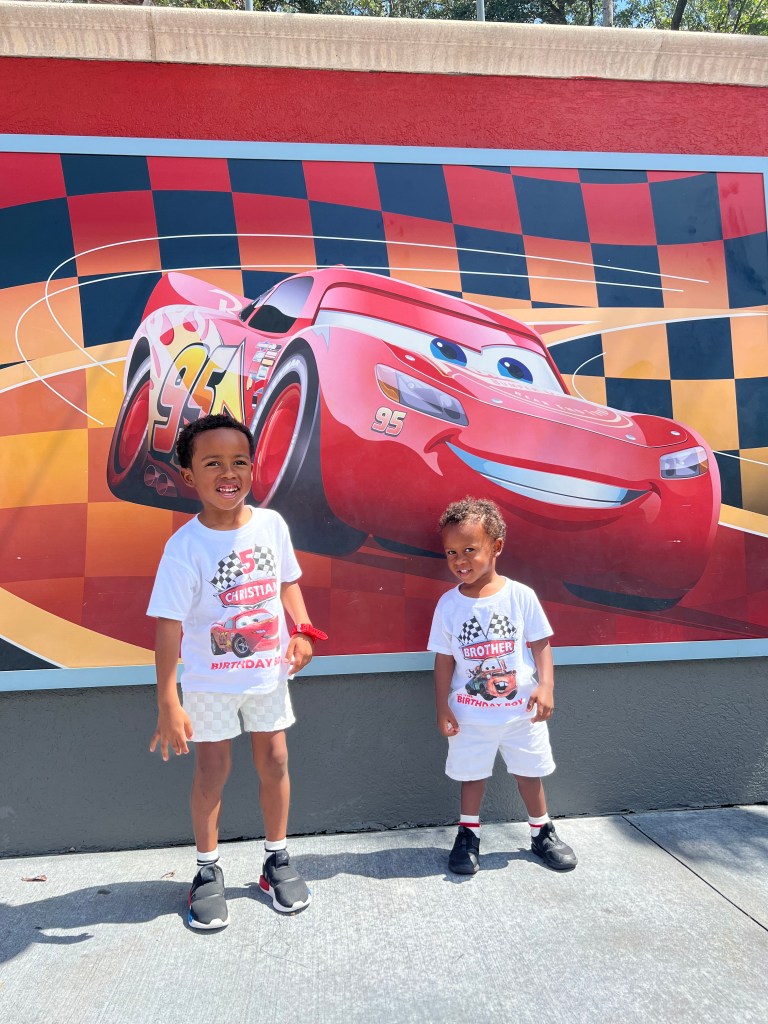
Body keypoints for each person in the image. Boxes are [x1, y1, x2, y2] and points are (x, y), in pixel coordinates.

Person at [147, 413, 327, 928]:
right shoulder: (184, 548)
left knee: (275, 760)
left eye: (239, 462)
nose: (228, 473)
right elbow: (168, 627)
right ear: (189, 475)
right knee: (212, 771)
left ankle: (277, 859)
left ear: (252, 467)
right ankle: (207, 870)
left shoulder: (272, 526)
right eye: (212, 463)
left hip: (268, 677)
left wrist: (303, 630)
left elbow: (287, 583)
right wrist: (168, 700)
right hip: (210, 685)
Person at [428, 496, 577, 875]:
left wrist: (546, 686)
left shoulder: (520, 596)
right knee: (471, 775)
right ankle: (468, 834)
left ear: (496, 547)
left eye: (469, 550)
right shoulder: (448, 605)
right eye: (451, 552)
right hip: (469, 715)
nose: (459, 560)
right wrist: (443, 706)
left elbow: (541, 643)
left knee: (529, 772)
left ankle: (542, 831)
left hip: (521, 713)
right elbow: (443, 659)